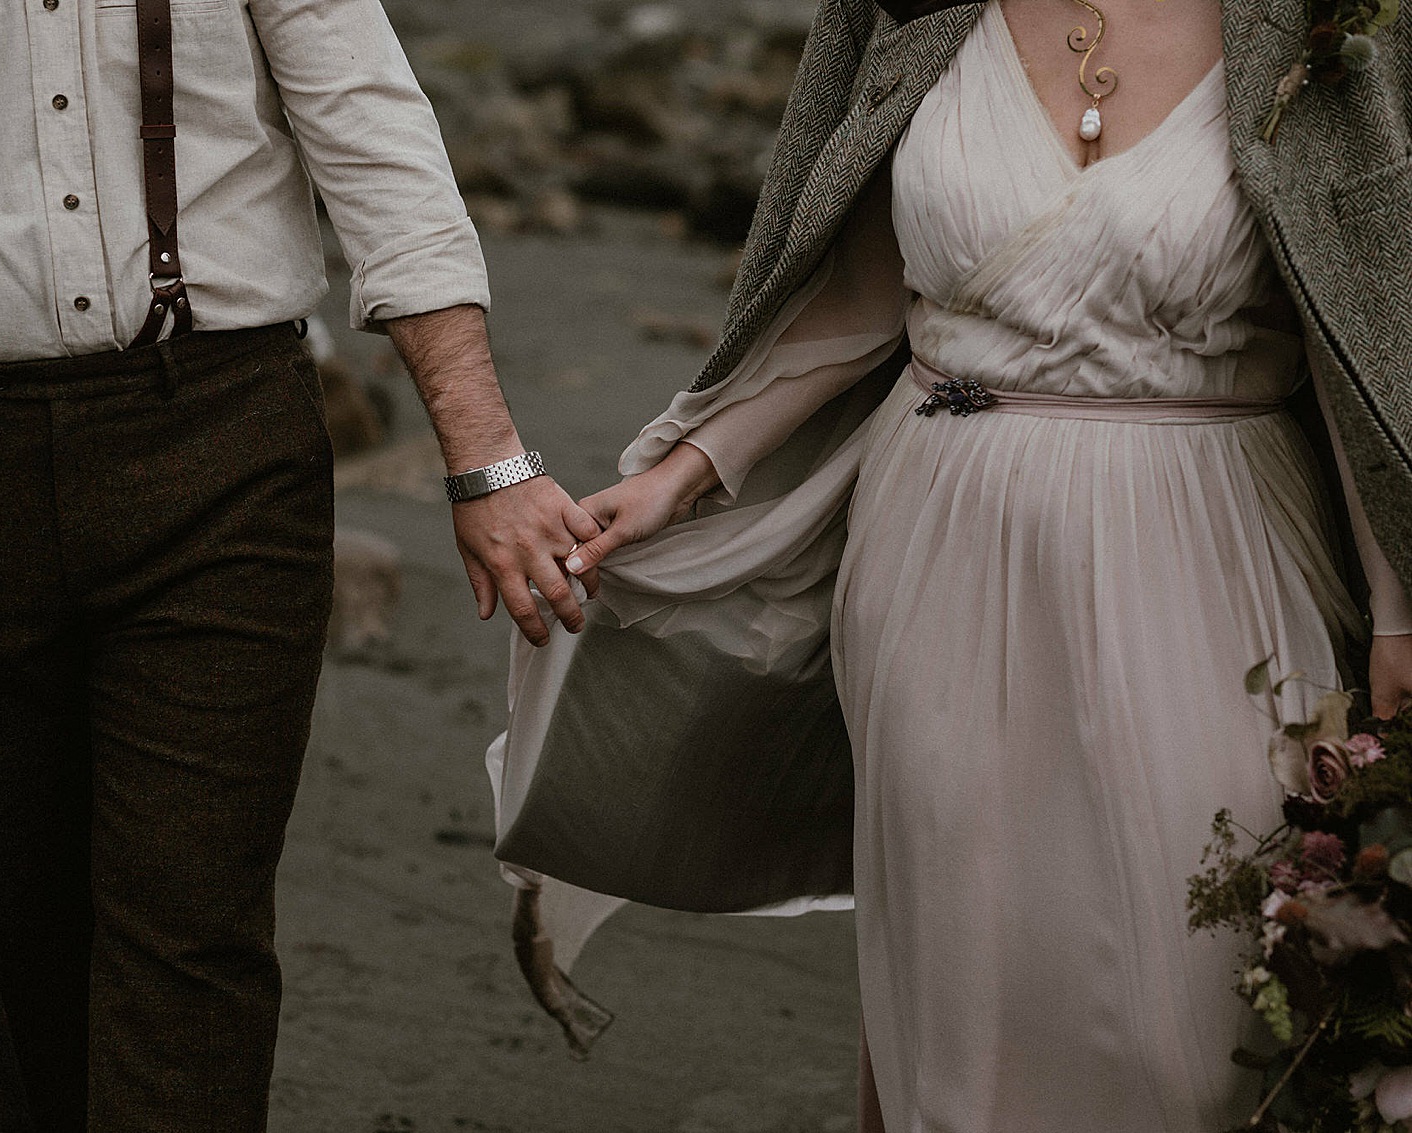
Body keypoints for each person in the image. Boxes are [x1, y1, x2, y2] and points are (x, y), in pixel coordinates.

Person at [494, 0, 1412, 1128]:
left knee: (1201, 999)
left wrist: (1392, 604)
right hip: (937, 552)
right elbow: (859, 291)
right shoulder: (910, 8)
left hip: (1210, 545)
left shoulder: (1319, 24)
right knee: (969, 973)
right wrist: (681, 471)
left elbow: (1360, 330)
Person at [0, 2, 599, 1130]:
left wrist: (486, 460)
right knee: (9, 932)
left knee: (193, 930)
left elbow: (375, 142)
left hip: (221, 448)